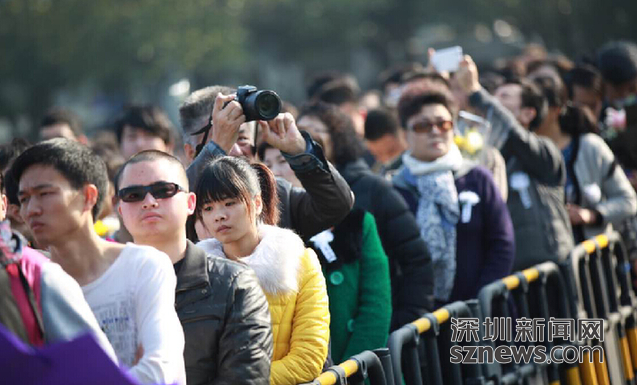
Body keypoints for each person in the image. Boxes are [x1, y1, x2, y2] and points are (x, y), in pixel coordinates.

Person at [8, 139, 186, 385]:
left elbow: (159, 372)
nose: (32, 209)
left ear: (88, 196)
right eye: (25, 199)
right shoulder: (28, 280)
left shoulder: (144, 266)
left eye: (44, 194)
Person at [115, 150, 272, 385]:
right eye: (133, 195)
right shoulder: (99, 284)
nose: (149, 202)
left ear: (190, 203)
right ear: (120, 210)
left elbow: (245, 378)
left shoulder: (235, 285)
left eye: (163, 190)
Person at [297, 101, 434, 330]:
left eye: (313, 133)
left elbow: (416, 259)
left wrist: (407, 321)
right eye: (298, 133)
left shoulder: (372, 188)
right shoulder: (293, 195)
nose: (302, 142)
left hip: (382, 328)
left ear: (338, 137)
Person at [194, 156, 330, 385]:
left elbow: (309, 358)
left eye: (229, 203)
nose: (219, 215)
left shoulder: (299, 261)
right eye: (208, 208)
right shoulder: (196, 274)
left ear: (257, 204)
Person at [259, 141, 392, 363]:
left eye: (284, 161)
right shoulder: (268, 235)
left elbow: (376, 305)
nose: (276, 172)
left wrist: (354, 369)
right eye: (267, 164)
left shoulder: (357, 223)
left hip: (358, 366)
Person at [179, 85, 354, 242]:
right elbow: (174, 203)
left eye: (241, 139)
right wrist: (217, 149)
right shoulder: (175, 207)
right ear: (190, 153)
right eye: (225, 138)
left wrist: (300, 150)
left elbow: (337, 204)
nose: (236, 152)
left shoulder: (277, 195)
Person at [392, 84, 515, 304]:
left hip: (483, 312)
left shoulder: (477, 177)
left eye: (444, 123)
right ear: (404, 135)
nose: (435, 131)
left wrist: (481, 301)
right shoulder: (395, 189)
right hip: (422, 319)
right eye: (422, 126)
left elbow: (502, 243)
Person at [455, 57, 574, 271]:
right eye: (494, 97)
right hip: (510, 278)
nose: (494, 102)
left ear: (528, 113)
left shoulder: (544, 151)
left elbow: (514, 134)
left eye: (504, 96)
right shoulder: (485, 157)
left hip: (554, 271)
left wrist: (476, 91)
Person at [532, 75, 637, 242]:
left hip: (592, 260)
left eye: (534, 106)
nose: (527, 113)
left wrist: (591, 215)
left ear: (555, 110)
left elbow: (628, 200)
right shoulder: (523, 154)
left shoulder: (589, 147)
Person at [364, 108, 407, 178]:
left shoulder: (415, 161)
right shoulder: (379, 171)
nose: (380, 159)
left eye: (380, 153)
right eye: (376, 155)